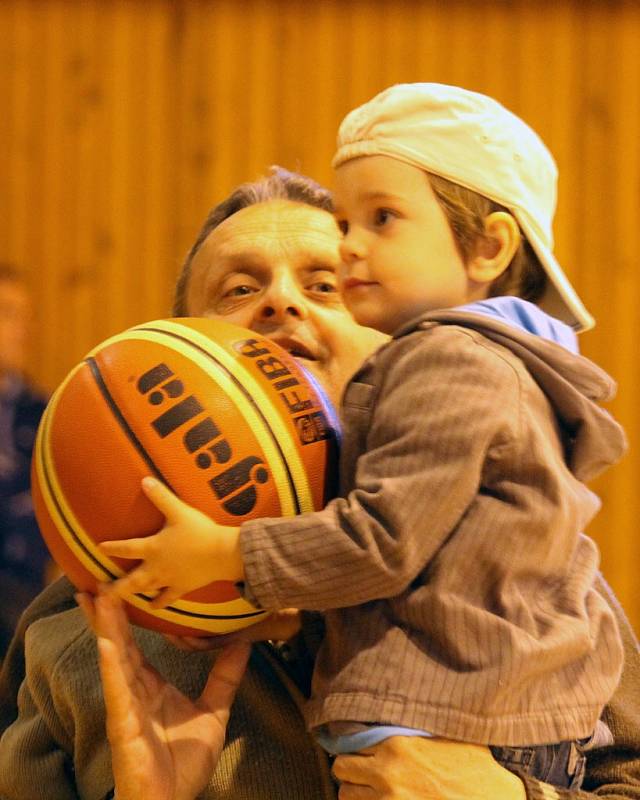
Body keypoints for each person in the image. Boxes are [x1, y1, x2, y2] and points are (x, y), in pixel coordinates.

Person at [0, 168, 638, 800]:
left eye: (327, 285)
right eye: (238, 288)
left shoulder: (535, 580)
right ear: (178, 344)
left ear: (402, 349)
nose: (281, 302)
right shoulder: (78, 637)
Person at [0, 265, 51, 656]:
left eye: (19, 314)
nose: (14, 327)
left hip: (25, 595)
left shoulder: (50, 415)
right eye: (5, 312)